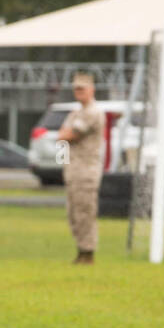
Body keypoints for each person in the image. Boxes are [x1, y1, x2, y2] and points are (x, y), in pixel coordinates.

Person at [56, 72, 105, 264]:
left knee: (85, 212)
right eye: (76, 88)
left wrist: (64, 135)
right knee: (74, 213)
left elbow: (71, 135)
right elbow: (61, 137)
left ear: (91, 90)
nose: (79, 92)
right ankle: (81, 249)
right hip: (72, 168)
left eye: (82, 89)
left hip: (86, 169)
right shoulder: (75, 113)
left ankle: (87, 252)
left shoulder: (93, 112)